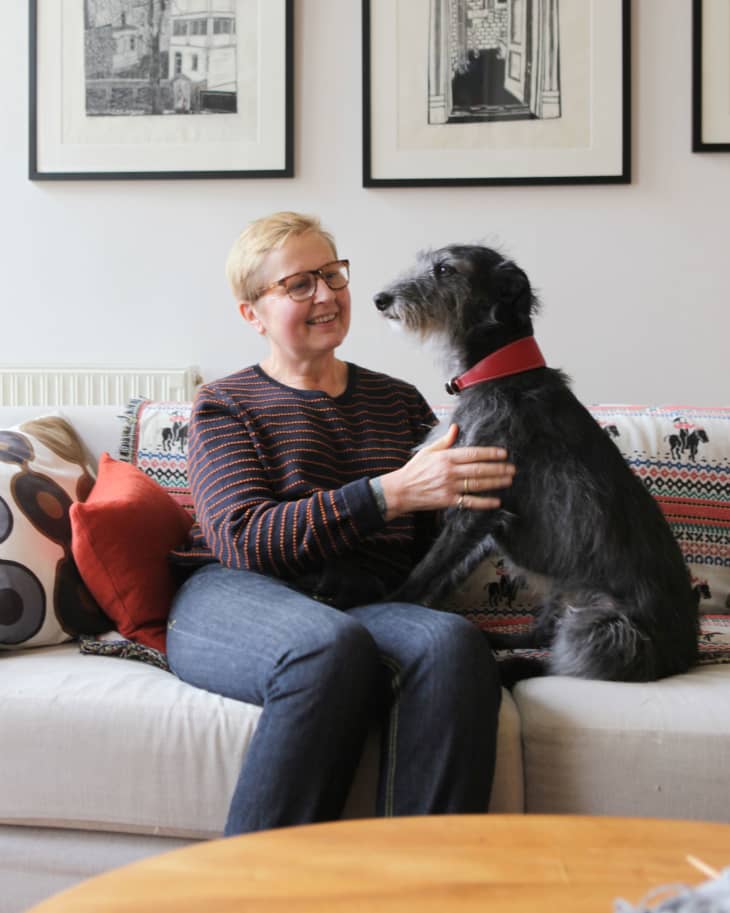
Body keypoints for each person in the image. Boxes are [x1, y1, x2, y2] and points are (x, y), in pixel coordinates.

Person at [167, 211, 515, 836]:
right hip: (237, 595)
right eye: (298, 284)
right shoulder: (226, 404)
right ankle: (254, 894)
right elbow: (243, 538)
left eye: (332, 275)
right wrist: (388, 494)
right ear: (253, 314)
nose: (326, 295)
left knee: (453, 644)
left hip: (363, 603)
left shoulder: (399, 400)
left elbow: (430, 542)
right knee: (326, 647)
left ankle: (416, 890)